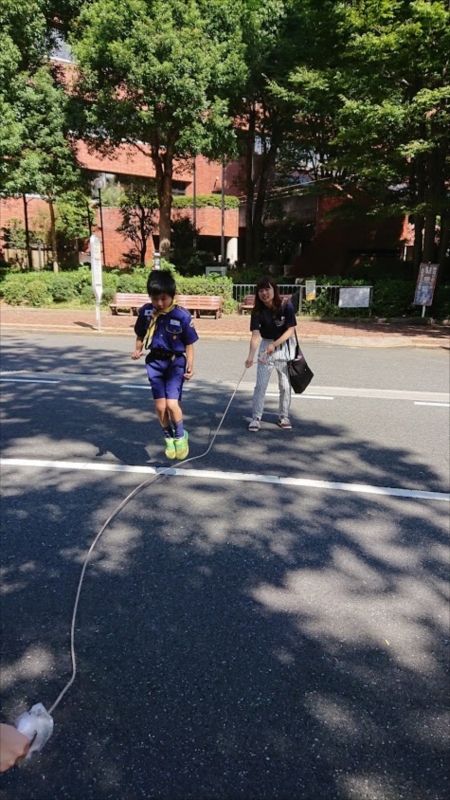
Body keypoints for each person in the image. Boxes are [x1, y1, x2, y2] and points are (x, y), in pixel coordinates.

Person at [131, 271, 199, 459]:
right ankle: (168, 437)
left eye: (164, 298)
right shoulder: (146, 312)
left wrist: (190, 365)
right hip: (154, 362)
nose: (159, 303)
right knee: (160, 407)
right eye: (155, 298)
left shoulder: (181, 315)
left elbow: (189, 343)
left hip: (175, 362)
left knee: (171, 403)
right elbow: (140, 333)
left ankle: (180, 436)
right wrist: (137, 349)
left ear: (172, 296)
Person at [244, 276, 297, 431]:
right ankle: (256, 417)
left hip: (284, 346)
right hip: (265, 346)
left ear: (274, 289)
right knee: (260, 385)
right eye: (261, 290)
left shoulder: (286, 305)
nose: (264, 293)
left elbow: (291, 330)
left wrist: (275, 344)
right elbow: (255, 335)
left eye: (267, 289)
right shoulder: (257, 311)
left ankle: (283, 415)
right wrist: (250, 356)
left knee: (285, 385)